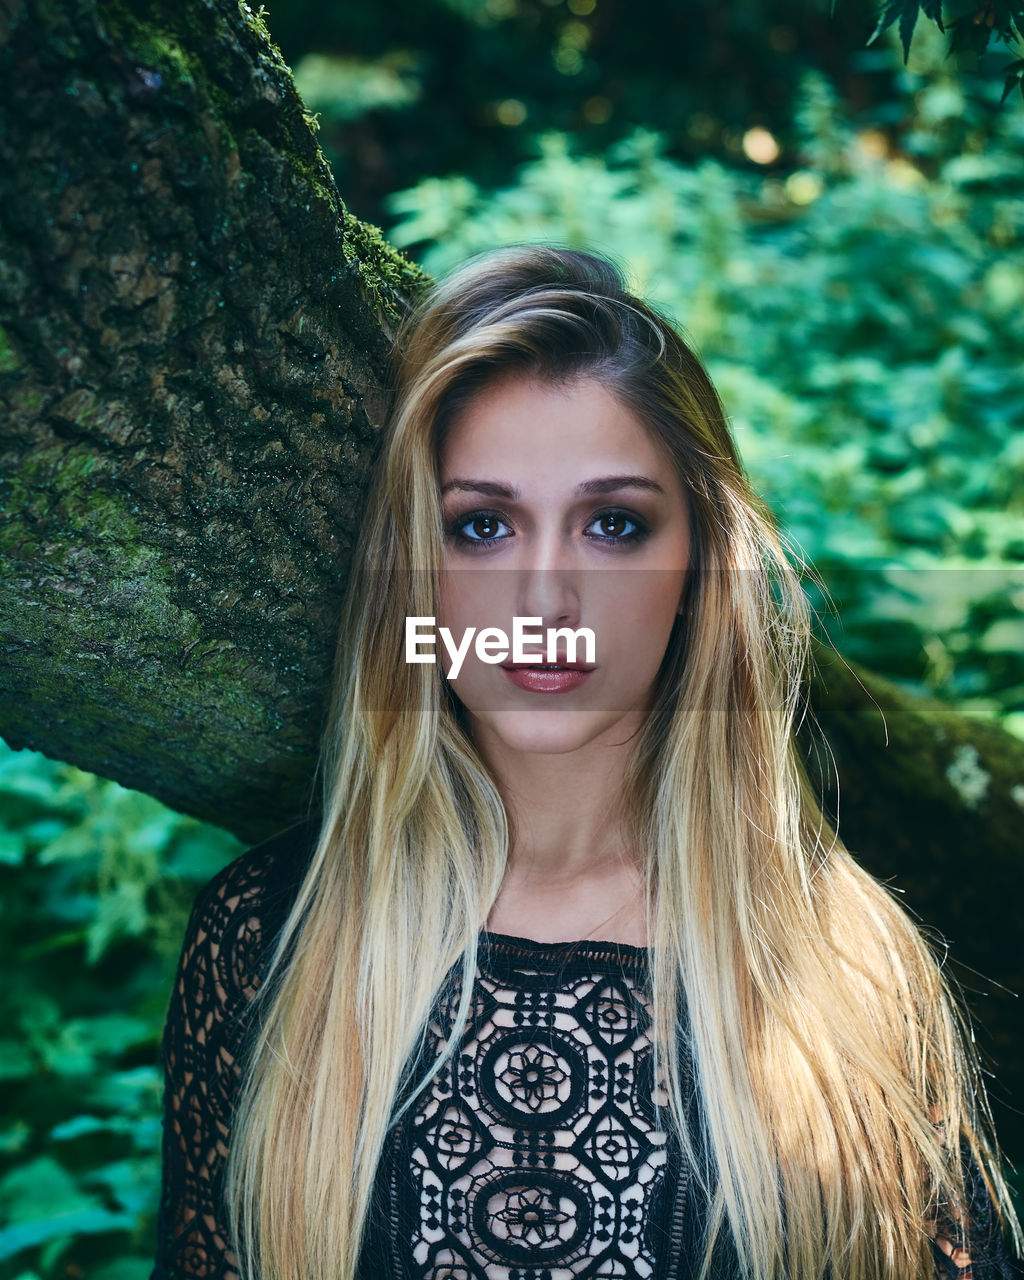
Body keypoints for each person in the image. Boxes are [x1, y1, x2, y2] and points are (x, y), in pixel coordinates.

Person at [151, 246, 1022, 1280]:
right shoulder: (266, 942)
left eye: (613, 524)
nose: (543, 602)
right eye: (481, 525)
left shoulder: (848, 966)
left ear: (698, 564)